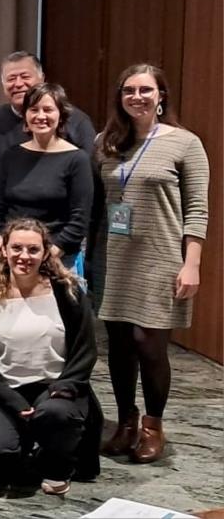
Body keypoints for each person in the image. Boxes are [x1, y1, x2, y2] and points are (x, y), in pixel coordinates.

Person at [90, 64, 210, 465]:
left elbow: (197, 209)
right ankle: (126, 422)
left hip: (160, 258)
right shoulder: (105, 143)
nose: (136, 97)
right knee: (119, 345)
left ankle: (152, 425)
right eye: (129, 90)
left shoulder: (185, 143)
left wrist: (191, 264)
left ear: (161, 96)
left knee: (150, 345)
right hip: (113, 258)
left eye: (145, 90)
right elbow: (96, 206)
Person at [0, 218, 100, 495]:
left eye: (33, 249)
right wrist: (11, 400)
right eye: (16, 248)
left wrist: (64, 386)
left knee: (56, 415)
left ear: (45, 252)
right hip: (3, 391)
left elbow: (85, 350)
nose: (24, 256)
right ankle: (24, 445)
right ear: (4, 250)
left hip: (55, 390)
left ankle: (57, 465)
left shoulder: (67, 290)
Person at [0, 83, 94, 262]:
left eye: (48, 110)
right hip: (10, 256)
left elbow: (79, 219)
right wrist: (0, 243)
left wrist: (45, 256)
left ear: (61, 115)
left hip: (56, 258)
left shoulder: (77, 159)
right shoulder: (11, 156)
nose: (40, 116)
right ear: (25, 115)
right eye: (34, 110)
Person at [0, 52, 98, 162]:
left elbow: (88, 167)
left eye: (25, 77)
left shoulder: (76, 120)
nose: (18, 84)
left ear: (42, 79)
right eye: (11, 79)